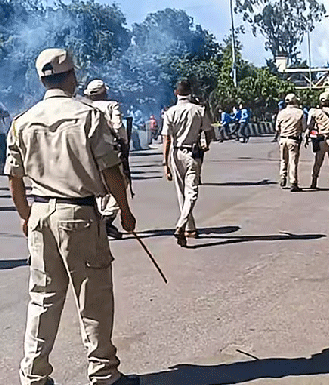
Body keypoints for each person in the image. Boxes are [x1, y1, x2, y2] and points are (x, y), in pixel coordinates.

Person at [6, 48, 139, 385]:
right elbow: (110, 170)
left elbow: (14, 176)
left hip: (40, 213)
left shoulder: (22, 120)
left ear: (41, 79)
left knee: (43, 299)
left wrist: (25, 216)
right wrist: (124, 210)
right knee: (92, 296)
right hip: (78, 214)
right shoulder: (87, 115)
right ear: (70, 76)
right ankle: (104, 373)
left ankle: (34, 376)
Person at [162, 80, 213, 247]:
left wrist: (165, 163)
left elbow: (166, 139)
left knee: (181, 193)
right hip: (192, 153)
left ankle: (189, 228)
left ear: (176, 93)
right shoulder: (199, 110)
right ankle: (182, 225)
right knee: (192, 193)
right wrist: (206, 144)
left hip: (175, 153)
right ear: (190, 92)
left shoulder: (170, 112)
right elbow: (208, 131)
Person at [84, 79, 129, 241]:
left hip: (89, 152)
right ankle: (107, 219)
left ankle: (100, 220)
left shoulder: (85, 108)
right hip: (110, 150)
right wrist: (123, 143)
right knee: (120, 184)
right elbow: (118, 127)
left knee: (99, 187)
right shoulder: (112, 105)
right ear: (104, 92)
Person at [307, 93, 329, 192]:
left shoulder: (315, 112)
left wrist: (307, 137)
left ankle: (314, 182)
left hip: (320, 140)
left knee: (318, 162)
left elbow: (310, 126)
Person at [276, 93, 305, 192]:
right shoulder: (299, 113)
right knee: (293, 162)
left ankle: (282, 177)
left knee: (283, 160)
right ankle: (293, 182)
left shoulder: (281, 113)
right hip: (293, 139)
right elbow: (303, 127)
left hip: (283, 139)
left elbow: (277, 127)